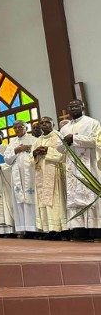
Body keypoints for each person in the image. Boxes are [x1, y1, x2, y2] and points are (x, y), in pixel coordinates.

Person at [58, 100, 101, 241]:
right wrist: (65, 142)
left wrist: (74, 138)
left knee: (91, 194)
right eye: (70, 106)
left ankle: (95, 230)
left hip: (89, 166)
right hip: (72, 166)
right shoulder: (64, 128)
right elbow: (59, 148)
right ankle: (79, 230)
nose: (73, 108)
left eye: (76, 106)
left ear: (82, 107)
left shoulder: (92, 123)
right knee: (74, 196)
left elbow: (96, 141)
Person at [32, 116, 67, 239]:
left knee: (56, 201)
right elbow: (31, 159)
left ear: (53, 124)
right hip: (41, 173)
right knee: (44, 202)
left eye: (47, 122)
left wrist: (48, 150)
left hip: (55, 173)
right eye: (42, 123)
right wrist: (35, 153)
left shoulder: (58, 136)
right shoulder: (37, 140)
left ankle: (60, 230)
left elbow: (64, 153)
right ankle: (49, 229)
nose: (44, 124)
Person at [3, 120, 38, 237]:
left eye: (20, 127)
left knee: (32, 198)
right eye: (15, 127)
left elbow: (38, 154)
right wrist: (16, 150)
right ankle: (23, 228)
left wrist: (29, 149)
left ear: (26, 127)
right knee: (19, 200)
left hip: (31, 173)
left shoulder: (33, 140)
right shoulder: (12, 143)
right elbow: (7, 160)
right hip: (17, 175)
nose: (18, 129)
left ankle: (35, 228)